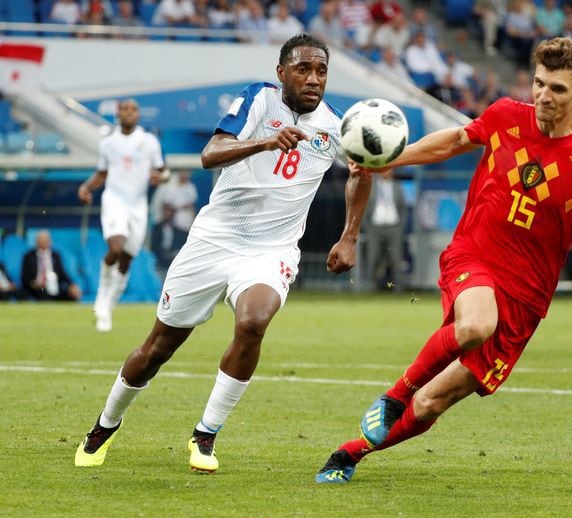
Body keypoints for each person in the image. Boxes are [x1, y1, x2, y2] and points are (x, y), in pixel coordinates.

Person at [315, 37, 572, 484]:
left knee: (431, 403)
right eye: (539, 83)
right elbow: (456, 141)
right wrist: (391, 158)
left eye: (558, 89)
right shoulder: (505, 116)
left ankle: (351, 453)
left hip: (526, 297)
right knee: (474, 326)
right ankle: (393, 396)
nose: (544, 95)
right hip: (474, 254)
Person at [74, 34, 372, 474]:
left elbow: (360, 173)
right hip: (213, 240)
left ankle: (205, 435)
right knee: (157, 348)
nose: (313, 79)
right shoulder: (258, 100)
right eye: (303, 69)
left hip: (270, 250)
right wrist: (265, 143)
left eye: (321, 71)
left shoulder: (335, 124)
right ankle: (105, 425)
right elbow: (209, 154)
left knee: (253, 322)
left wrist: (349, 236)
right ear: (281, 72)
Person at [78, 99, 167, 332]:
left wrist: (161, 178)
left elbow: (163, 170)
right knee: (115, 248)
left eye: (134, 109)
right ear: (118, 114)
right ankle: (102, 298)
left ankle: (109, 303)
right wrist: (86, 187)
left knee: (127, 258)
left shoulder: (149, 142)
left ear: (138, 114)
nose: (129, 113)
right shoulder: (108, 143)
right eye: (125, 109)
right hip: (114, 200)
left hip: (138, 205)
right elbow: (101, 173)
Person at [362, 168, 408, 291]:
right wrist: (367, 225)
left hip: (394, 227)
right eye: (384, 169)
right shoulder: (371, 186)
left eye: (389, 169)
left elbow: (403, 207)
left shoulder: (398, 186)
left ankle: (398, 288)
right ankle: (371, 286)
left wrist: (400, 225)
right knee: (373, 256)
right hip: (375, 227)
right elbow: (364, 205)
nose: (386, 172)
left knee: (396, 258)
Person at [21, 230, 82, 301]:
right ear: (37, 242)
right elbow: (24, 277)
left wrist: (72, 285)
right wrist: (33, 283)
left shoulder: (56, 255)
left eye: (45, 240)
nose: (43, 243)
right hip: (38, 288)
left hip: (54, 287)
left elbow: (63, 274)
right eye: (41, 241)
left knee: (72, 295)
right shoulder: (29, 256)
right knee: (44, 293)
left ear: (50, 241)